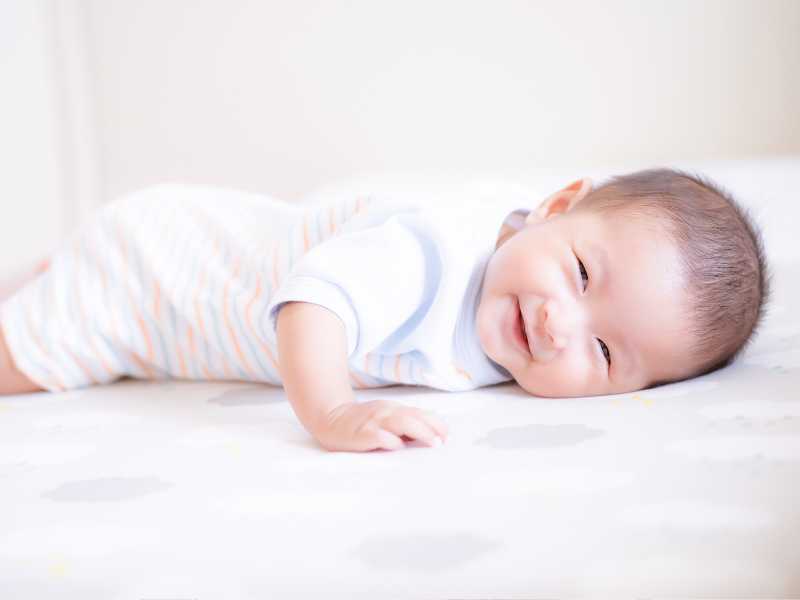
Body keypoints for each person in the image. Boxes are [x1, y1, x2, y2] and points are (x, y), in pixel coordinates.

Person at [0, 169, 770, 452]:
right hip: (155, 279)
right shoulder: (429, 250)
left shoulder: (519, 325)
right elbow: (312, 304)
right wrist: (333, 412)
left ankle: (41, 275)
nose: (560, 324)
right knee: (19, 364)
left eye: (604, 354)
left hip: (163, 293)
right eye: (578, 273)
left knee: (43, 291)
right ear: (554, 206)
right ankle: (56, 281)